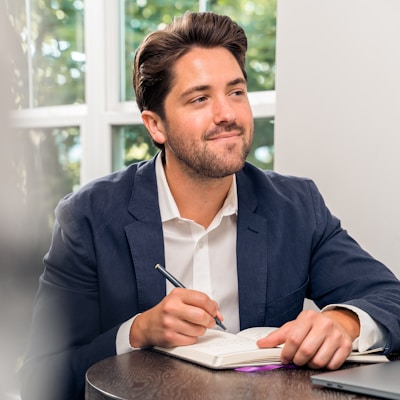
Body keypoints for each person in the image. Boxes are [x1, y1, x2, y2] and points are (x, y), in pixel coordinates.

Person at [21, 11, 400, 400]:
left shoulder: (296, 207)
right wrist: (136, 333)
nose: (228, 114)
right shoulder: (87, 217)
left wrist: (344, 321)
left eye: (236, 92)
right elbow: (40, 378)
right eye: (200, 98)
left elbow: (391, 299)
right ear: (155, 125)